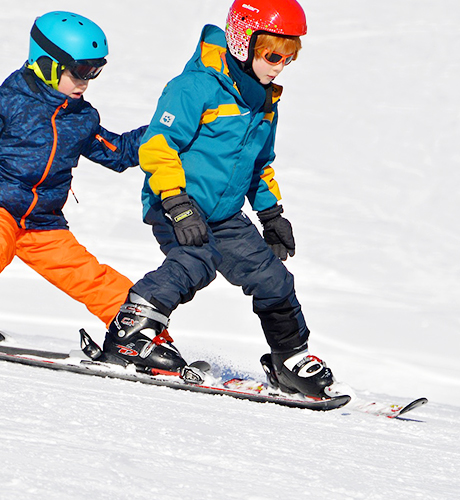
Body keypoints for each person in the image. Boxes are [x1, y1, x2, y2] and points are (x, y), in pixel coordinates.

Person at [98, 0, 337, 399]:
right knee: (196, 260)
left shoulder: (264, 102)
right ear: (244, 41)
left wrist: (271, 214)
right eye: (272, 53)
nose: (279, 65)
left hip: (224, 215)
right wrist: (176, 200)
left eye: (290, 56)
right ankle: (130, 333)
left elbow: (260, 164)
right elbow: (158, 145)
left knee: (273, 278)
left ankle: (289, 360)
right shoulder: (195, 87)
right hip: (175, 203)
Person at [0, 11, 146, 342]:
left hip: (42, 220)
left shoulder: (81, 117)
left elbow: (118, 152)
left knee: (85, 272)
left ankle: (138, 331)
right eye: (80, 70)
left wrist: (167, 133)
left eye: (95, 71)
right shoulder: (7, 101)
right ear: (48, 63)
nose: (86, 81)